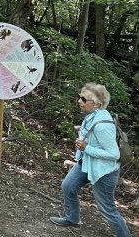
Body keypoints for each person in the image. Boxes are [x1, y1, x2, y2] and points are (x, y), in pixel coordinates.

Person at [49, 83, 130, 236]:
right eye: (80, 97)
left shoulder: (102, 125)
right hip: (87, 162)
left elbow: (114, 154)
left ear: (97, 104)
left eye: (84, 99)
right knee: (68, 186)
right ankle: (72, 219)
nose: (79, 101)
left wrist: (86, 148)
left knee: (107, 209)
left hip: (104, 170)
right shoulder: (93, 115)